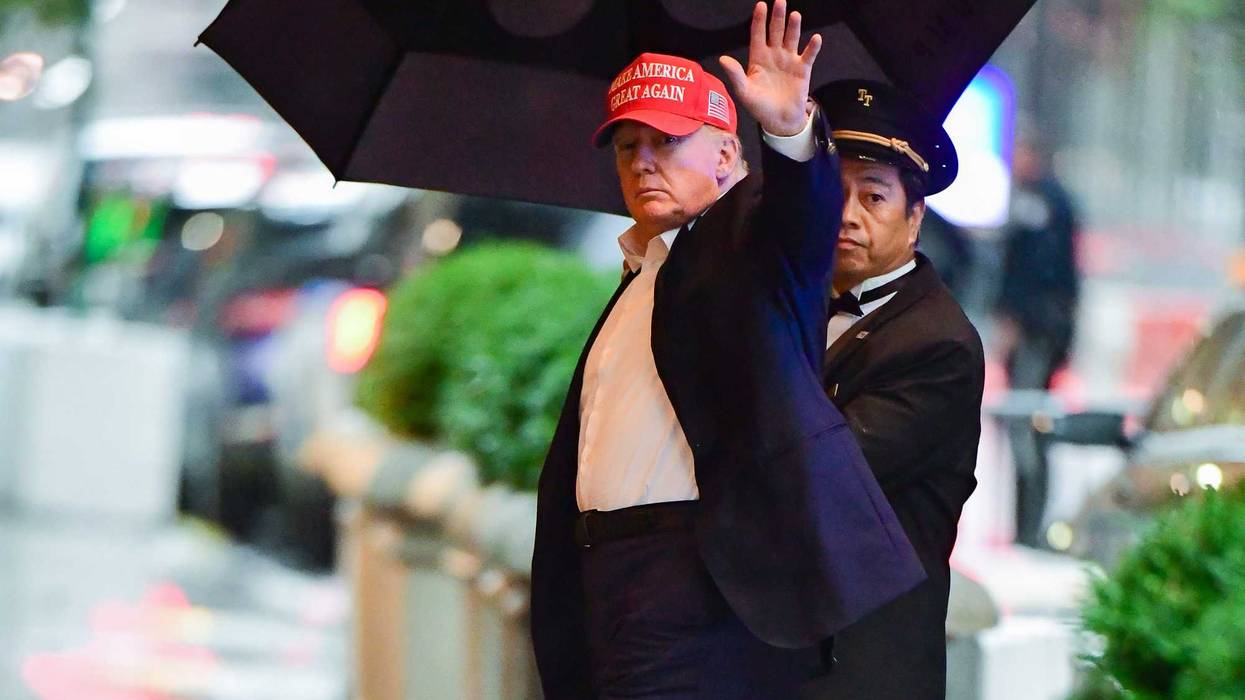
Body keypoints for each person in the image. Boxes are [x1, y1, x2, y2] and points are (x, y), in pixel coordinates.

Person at [530, 4, 924, 699]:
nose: (643, 161)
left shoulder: (746, 245)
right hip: (607, 580)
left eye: (665, 140)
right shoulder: (641, 272)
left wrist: (786, 129)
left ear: (723, 157)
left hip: (689, 582)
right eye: (628, 147)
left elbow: (799, 224)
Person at [798, 80, 986, 700]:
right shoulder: (795, 307)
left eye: (873, 196)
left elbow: (821, 474)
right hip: (782, 658)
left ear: (915, 216)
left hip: (866, 667)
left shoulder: (937, 344)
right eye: (834, 191)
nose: (847, 214)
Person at [995, 124, 1081, 546]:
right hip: (1044, 330)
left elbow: (1037, 273)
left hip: (1037, 332)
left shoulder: (1041, 204)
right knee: (1027, 427)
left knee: (1026, 425)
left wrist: (1014, 318)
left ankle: (1027, 528)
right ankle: (1024, 525)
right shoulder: (1051, 202)